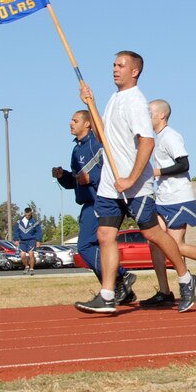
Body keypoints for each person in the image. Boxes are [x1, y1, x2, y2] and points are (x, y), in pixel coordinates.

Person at [74, 51, 196, 314]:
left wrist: (131, 177)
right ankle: (107, 295)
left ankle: (186, 278)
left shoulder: (136, 102)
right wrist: (91, 104)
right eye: (114, 65)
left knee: (153, 234)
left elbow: (147, 142)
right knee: (104, 235)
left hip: (135, 185)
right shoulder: (114, 99)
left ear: (135, 71)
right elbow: (102, 134)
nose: (115, 69)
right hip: (110, 184)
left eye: (121, 65)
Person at [141, 99, 196, 307]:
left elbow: (184, 164)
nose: (146, 116)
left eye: (149, 112)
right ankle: (164, 291)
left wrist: (158, 172)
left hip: (179, 198)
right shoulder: (156, 138)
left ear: (161, 115)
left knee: (177, 246)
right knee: (154, 242)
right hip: (162, 198)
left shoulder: (171, 136)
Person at [52, 110, 137, 304]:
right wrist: (63, 176)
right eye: (71, 120)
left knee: (84, 246)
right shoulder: (76, 149)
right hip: (86, 202)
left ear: (88, 124)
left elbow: (110, 171)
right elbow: (76, 182)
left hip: (100, 201)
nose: (70, 123)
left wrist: (91, 178)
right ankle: (120, 291)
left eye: (75, 120)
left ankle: (121, 276)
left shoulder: (96, 144)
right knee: (95, 247)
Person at [13, 207, 42, 275]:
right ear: (25, 213)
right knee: (22, 255)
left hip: (31, 240)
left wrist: (38, 240)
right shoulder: (19, 222)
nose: (28, 216)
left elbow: (38, 232)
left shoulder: (34, 222)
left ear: (31, 213)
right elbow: (16, 231)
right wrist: (16, 239)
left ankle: (32, 269)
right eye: (26, 215)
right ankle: (26, 266)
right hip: (22, 240)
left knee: (31, 254)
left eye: (29, 215)